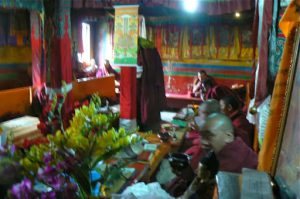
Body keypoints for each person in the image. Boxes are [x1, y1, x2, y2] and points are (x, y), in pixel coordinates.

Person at [178, 113, 258, 198]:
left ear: (228, 136)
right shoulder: (225, 148)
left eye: (209, 136)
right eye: (202, 136)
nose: (203, 142)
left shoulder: (234, 162)